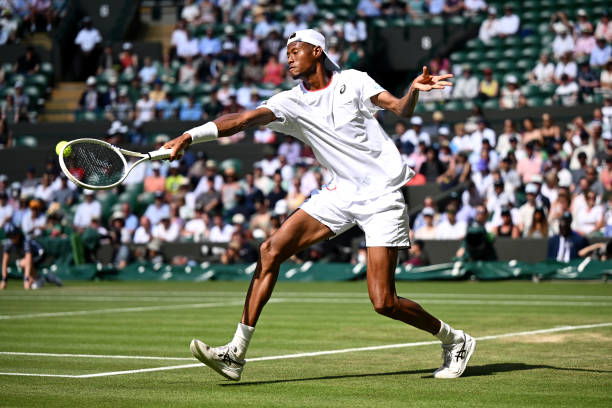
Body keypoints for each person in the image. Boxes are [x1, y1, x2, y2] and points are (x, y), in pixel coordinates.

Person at [163, 29, 474, 381]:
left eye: (295, 51)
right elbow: (242, 120)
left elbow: (399, 109)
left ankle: (455, 340)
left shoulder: (354, 81)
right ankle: (235, 354)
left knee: (384, 302)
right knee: (270, 251)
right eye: (287, 52)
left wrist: (413, 91)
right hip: (339, 194)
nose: (289, 57)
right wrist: (190, 135)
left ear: (317, 51)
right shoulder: (288, 101)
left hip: (382, 196)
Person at [1, 222, 61, 290]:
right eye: (10, 236)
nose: (13, 238)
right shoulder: (9, 243)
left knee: (23, 263)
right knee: (22, 265)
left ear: (18, 234)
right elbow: (4, 262)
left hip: (40, 254)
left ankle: (39, 278)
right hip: (31, 258)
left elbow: (28, 260)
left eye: (14, 235)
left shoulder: (25, 241)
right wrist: (4, 280)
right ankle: (45, 278)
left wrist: (26, 279)